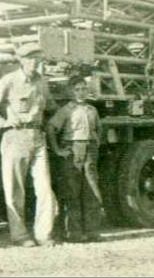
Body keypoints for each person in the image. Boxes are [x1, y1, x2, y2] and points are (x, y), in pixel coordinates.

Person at [0, 42, 56, 247]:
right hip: (16, 137)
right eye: (30, 58)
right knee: (15, 190)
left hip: (37, 136)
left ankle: (43, 234)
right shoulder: (9, 80)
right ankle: (20, 236)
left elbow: (49, 107)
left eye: (37, 59)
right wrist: (2, 124)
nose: (34, 62)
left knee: (45, 189)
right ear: (21, 60)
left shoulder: (42, 82)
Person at [46, 73, 103, 242]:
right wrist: (57, 150)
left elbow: (98, 129)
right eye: (77, 89)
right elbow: (50, 128)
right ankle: (74, 233)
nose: (81, 92)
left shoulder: (92, 110)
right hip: (72, 149)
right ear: (70, 92)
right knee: (72, 191)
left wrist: (95, 142)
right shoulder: (65, 110)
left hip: (90, 149)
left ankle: (92, 232)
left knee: (92, 189)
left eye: (84, 88)